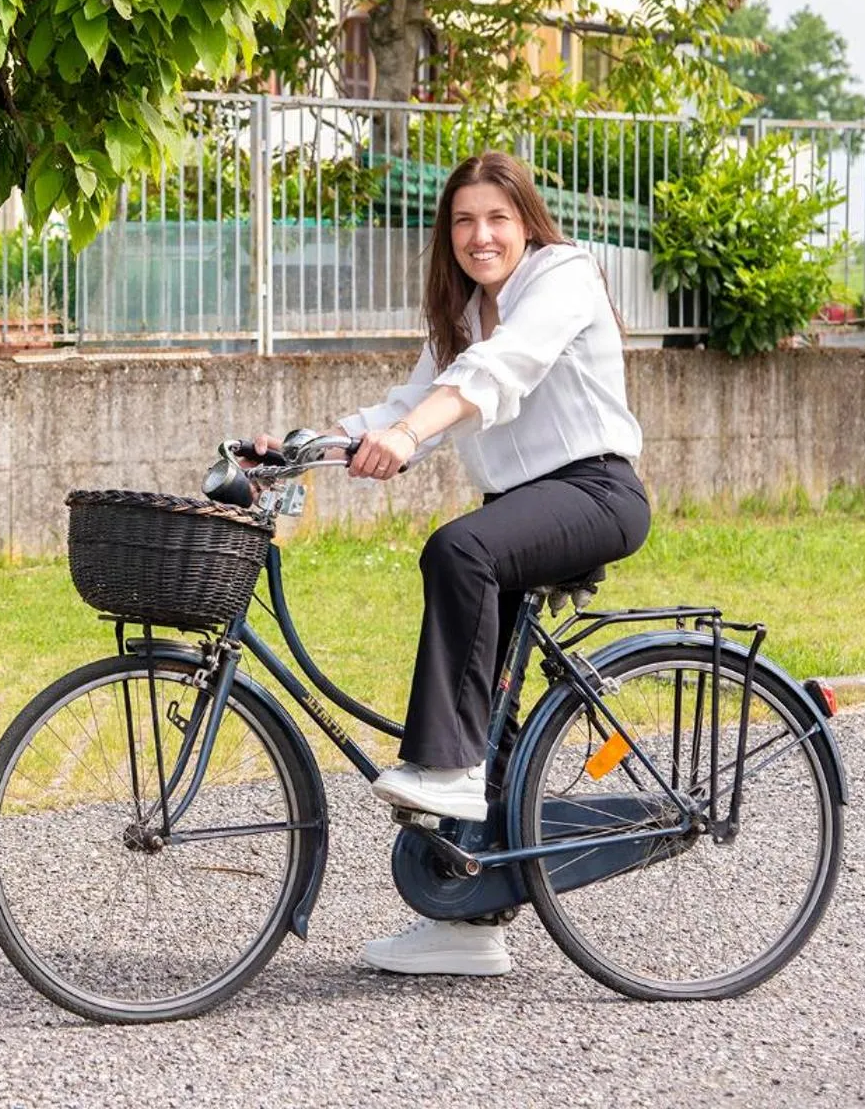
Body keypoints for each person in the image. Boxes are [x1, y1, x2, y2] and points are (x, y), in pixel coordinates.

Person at [246, 149, 650, 978]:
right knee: (486, 696)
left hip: (596, 493)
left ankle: (454, 772)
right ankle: (469, 922)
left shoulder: (563, 276)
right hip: (524, 513)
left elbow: (492, 378)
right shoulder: (468, 313)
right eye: (464, 221)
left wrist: (408, 437)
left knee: (458, 548)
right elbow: (404, 405)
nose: (480, 235)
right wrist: (298, 445)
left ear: (526, 222)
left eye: (497, 218)